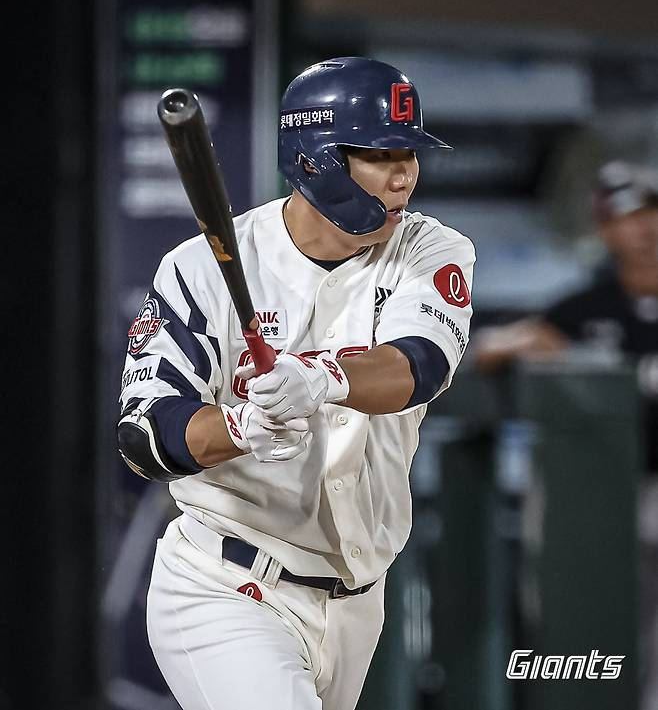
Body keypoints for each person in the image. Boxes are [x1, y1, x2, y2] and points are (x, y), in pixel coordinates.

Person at [117, 56, 475, 710]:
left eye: (410, 154)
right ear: (317, 157)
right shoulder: (201, 269)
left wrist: (321, 376)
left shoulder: (432, 249)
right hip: (223, 583)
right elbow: (145, 433)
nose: (405, 175)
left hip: (357, 598)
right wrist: (236, 428)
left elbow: (418, 363)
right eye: (381, 154)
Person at [475, 159, 658, 709]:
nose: (644, 229)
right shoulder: (586, 308)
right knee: (579, 607)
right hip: (600, 493)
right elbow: (491, 347)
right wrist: (529, 345)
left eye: (651, 213)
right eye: (628, 217)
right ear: (606, 230)